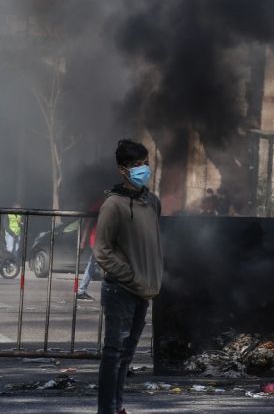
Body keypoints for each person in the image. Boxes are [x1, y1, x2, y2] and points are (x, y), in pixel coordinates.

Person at [94, 139, 163, 414]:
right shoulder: (113, 205)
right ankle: (107, 409)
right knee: (112, 355)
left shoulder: (152, 202)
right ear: (123, 170)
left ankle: (118, 406)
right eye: (137, 165)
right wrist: (130, 276)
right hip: (120, 290)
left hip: (142, 291)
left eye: (146, 163)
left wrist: (150, 279)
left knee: (125, 357)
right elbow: (102, 250)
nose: (143, 169)